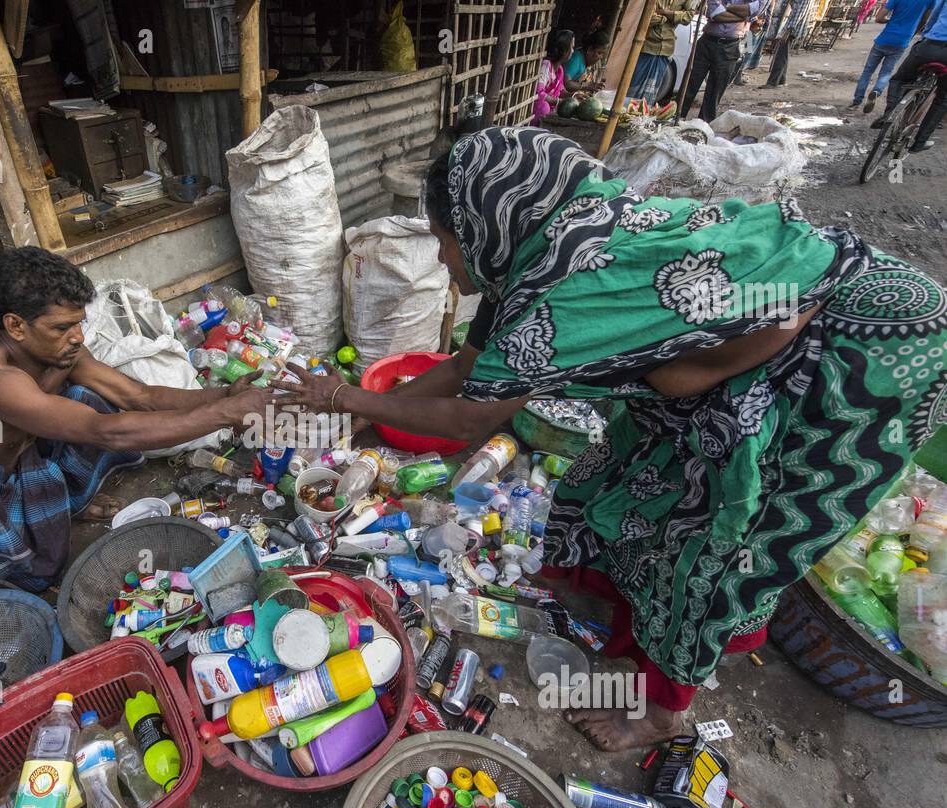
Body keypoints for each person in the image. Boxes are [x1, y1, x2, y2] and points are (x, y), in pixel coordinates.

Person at [280, 127, 947, 751]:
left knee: (718, 526)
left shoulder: (564, 296)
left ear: (482, 226)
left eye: (443, 240)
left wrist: (342, 395)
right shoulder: (532, 250)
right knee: (622, 468)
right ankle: (624, 600)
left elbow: (469, 420)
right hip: (755, 336)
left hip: (856, 349)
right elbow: (459, 370)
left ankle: (662, 709)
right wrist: (361, 418)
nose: (444, 258)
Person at [0, 246, 274, 591]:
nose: (78, 338)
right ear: (15, 326)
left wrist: (223, 395)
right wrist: (223, 415)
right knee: (37, 573)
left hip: (20, 457)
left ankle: (66, 501)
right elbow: (105, 432)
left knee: (86, 397)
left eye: (78, 324)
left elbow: (137, 395)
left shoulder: (60, 354)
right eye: (61, 327)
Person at [872, 0, 947, 151]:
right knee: (942, 99)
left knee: (899, 79)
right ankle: (919, 143)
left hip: (930, 45)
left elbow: (934, 16)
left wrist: (925, 37)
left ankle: (890, 114)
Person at [680, 0, 768, 121]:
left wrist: (726, 7)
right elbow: (715, 13)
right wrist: (743, 16)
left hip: (731, 46)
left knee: (715, 90)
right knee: (690, 83)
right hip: (706, 42)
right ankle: (676, 117)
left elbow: (755, 10)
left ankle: (703, 125)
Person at [852, 0, 931, 112]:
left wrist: (889, 20)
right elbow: (924, 20)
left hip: (884, 39)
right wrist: (912, 32)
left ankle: (857, 100)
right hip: (902, 41)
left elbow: (879, 18)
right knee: (886, 72)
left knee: (868, 71)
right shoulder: (929, 1)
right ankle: (877, 91)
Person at [629, 0, 697, 104]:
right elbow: (646, 16)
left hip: (666, 46)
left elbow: (687, 17)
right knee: (633, 86)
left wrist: (664, 13)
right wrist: (668, 17)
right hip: (645, 44)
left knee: (651, 91)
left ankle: (641, 115)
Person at [764, 0, 815, 87]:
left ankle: (773, 82)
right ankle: (781, 80)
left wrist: (788, 30)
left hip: (792, 27)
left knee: (781, 54)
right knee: (783, 53)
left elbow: (798, 13)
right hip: (793, 26)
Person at [534, 29, 576, 123]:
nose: (573, 51)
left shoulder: (559, 70)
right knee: (544, 107)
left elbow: (561, 91)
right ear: (564, 50)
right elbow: (539, 93)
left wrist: (574, 96)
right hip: (537, 109)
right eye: (572, 47)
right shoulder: (546, 66)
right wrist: (558, 102)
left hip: (551, 109)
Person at [565, 29, 611, 95]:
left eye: (603, 54)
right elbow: (567, 84)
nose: (601, 57)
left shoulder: (586, 61)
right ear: (589, 50)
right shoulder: (576, 58)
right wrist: (587, 86)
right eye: (599, 53)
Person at [732, 12, 771, 84]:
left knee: (747, 54)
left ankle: (737, 76)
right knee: (745, 54)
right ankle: (736, 77)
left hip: (755, 30)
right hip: (750, 30)